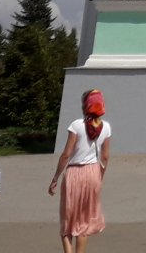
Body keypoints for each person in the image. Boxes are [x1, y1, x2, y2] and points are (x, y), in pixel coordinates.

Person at [49, 88, 111, 252]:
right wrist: (100, 177)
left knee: (67, 218)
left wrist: (55, 178)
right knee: (83, 221)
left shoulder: (76, 125)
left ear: (85, 106)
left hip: (75, 173)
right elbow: (105, 157)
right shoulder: (106, 127)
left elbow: (66, 155)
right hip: (93, 173)